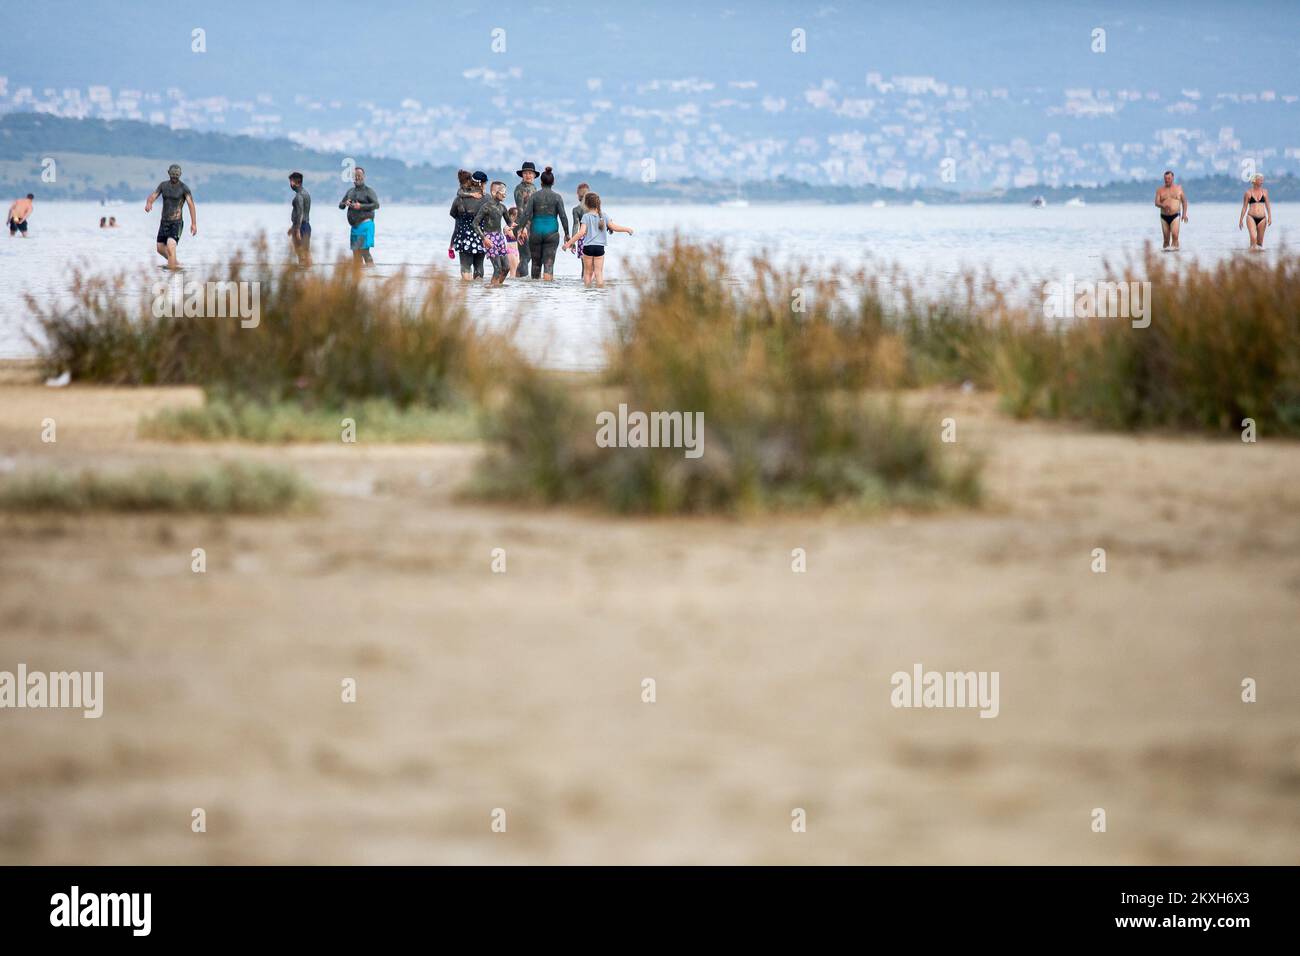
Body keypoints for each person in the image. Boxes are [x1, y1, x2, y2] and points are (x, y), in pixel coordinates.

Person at [563, 191, 633, 288]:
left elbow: (581, 232)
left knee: (587, 272)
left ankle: (587, 291)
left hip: (588, 248)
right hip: (599, 248)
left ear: (586, 204)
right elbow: (614, 227)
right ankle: (599, 292)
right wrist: (627, 229)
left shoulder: (586, 217)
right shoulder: (604, 216)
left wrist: (568, 244)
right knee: (598, 273)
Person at [518, 166, 569, 281]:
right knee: (549, 264)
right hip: (551, 233)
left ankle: (535, 293)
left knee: (535, 264)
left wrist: (521, 229)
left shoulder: (534, 196)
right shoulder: (557, 197)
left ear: (541, 182)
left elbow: (526, 214)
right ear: (553, 182)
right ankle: (548, 294)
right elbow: (563, 217)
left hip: (535, 233)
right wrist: (567, 234)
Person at [144, 166, 196, 269]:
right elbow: (153, 196)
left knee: (170, 246)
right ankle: (176, 264)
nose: (174, 177)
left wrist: (193, 223)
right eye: (173, 174)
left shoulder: (184, 188)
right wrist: (149, 203)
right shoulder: (163, 186)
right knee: (160, 248)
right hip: (164, 222)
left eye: (177, 175)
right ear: (168, 173)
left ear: (180, 174)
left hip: (176, 223)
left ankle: (172, 272)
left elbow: (191, 205)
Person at [472, 181, 512, 285]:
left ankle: (497, 288)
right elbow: (475, 224)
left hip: (500, 238)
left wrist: (518, 227)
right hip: (489, 238)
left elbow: (510, 223)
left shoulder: (502, 208)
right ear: (494, 193)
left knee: (507, 267)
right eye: (502, 191)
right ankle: (493, 292)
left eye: (505, 192)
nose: (505, 194)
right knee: (497, 268)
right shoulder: (486, 207)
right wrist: (484, 238)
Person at [450, 170, 488, 279]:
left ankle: (466, 292)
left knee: (466, 266)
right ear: (482, 183)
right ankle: (478, 292)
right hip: (481, 236)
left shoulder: (459, 198)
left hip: (464, 236)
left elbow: (453, 214)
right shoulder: (487, 198)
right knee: (479, 266)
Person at [339, 166, 380, 265]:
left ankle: (372, 274)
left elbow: (376, 205)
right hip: (354, 227)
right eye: (355, 176)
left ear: (364, 176)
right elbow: (340, 205)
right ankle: (359, 277)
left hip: (365, 225)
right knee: (356, 254)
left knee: (365, 251)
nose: (357, 177)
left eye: (359, 175)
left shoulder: (368, 191)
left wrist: (360, 206)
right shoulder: (350, 192)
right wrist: (345, 203)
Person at [514, 160, 540, 277]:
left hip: (532, 225)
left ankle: (519, 279)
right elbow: (520, 209)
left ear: (534, 175)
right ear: (522, 175)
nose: (528, 175)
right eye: (526, 173)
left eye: (530, 173)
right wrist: (522, 227)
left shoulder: (534, 188)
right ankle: (521, 282)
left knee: (529, 256)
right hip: (522, 225)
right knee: (525, 256)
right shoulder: (519, 189)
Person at [1154, 170, 1188, 250]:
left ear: (1172, 178)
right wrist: (1163, 206)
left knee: (1175, 236)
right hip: (1164, 217)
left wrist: (1184, 214)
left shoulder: (1179, 189)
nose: (1167, 180)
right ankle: (1166, 257)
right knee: (1166, 240)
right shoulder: (1160, 190)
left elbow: (1184, 201)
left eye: (1168, 178)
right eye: (1165, 178)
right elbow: (1156, 203)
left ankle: (1175, 256)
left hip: (1175, 216)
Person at [1238, 174, 1273, 252]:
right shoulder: (1248, 193)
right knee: (1253, 238)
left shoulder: (1265, 192)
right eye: (1260, 180)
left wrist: (1270, 217)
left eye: (1262, 180)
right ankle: (1251, 256)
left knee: (1260, 244)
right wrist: (1241, 219)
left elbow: (1267, 205)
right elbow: (1244, 207)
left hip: (1262, 218)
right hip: (1251, 217)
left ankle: (1258, 260)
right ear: (1254, 181)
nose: (1262, 181)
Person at [287, 171, 312, 267]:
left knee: (301, 252)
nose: (290, 184)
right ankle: (309, 273)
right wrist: (292, 227)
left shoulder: (299, 196)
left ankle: (303, 273)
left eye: (291, 182)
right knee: (306, 251)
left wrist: (296, 229)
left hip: (301, 227)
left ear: (297, 182)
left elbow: (300, 213)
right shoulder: (306, 193)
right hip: (306, 225)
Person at [571, 182, 590, 258]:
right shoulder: (595, 208)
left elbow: (575, 226)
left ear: (578, 194)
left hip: (583, 239)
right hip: (595, 239)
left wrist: (572, 243)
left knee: (584, 268)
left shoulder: (576, 210)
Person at [504, 206, 521, 276]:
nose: (515, 217)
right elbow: (512, 236)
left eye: (516, 215)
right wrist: (519, 230)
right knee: (513, 272)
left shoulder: (516, 225)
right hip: (510, 251)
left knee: (516, 272)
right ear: (510, 215)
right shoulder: (506, 227)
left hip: (516, 250)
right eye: (514, 215)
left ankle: (514, 286)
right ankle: (511, 286)